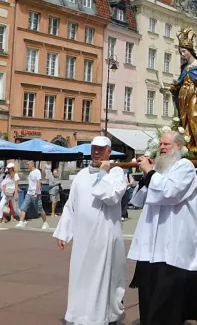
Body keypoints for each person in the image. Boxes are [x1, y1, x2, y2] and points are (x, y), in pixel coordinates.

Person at [128, 131, 197, 325]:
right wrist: (147, 173)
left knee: (167, 291)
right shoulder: (161, 168)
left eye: (167, 144)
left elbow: (170, 192)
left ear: (179, 146)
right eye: (161, 144)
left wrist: (151, 172)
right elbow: (138, 200)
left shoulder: (185, 167)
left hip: (173, 239)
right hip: (152, 240)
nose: (162, 148)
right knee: (149, 287)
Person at [53, 136, 126, 325]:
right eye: (94, 148)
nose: (96, 152)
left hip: (104, 236)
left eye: (101, 149)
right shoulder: (81, 175)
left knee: (101, 279)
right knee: (80, 276)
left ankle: (102, 316)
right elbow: (71, 205)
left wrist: (103, 174)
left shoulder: (116, 172)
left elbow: (111, 196)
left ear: (109, 152)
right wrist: (64, 232)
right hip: (83, 238)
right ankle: (79, 314)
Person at [161, 28, 197, 152]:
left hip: (195, 95)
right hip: (183, 96)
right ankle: (189, 144)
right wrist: (166, 89)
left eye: (184, 51)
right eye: (181, 52)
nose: (182, 54)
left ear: (190, 51)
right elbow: (177, 85)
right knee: (185, 120)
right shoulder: (185, 68)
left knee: (195, 116)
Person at [16, 161, 49, 229]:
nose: (27, 165)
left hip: (35, 194)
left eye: (28, 164)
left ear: (32, 164)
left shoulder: (37, 172)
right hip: (29, 193)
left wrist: (36, 193)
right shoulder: (30, 173)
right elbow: (30, 183)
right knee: (23, 207)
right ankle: (21, 222)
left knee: (40, 209)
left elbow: (38, 183)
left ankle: (45, 223)